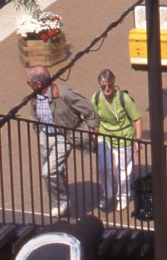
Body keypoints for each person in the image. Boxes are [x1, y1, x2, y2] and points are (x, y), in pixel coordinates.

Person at [26, 65, 96, 218]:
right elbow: (34, 114)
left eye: (28, 82)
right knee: (56, 172)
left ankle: (63, 202)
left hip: (62, 137)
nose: (28, 85)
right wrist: (37, 129)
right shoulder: (35, 96)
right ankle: (58, 204)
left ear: (37, 84)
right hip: (45, 137)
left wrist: (91, 130)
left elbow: (89, 109)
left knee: (48, 172)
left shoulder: (63, 94)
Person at [93, 69, 143, 212]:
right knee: (104, 167)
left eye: (109, 86)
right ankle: (107, 193)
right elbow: (94, 120)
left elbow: (137, 120)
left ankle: (123, 195)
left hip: (124, 137)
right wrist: (94, 137)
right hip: (105, 136)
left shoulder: (124, 99)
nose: (106, 89)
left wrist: (137, 141)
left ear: (114, 84)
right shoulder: (96, 98)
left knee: (122, 171)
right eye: (103, 87)